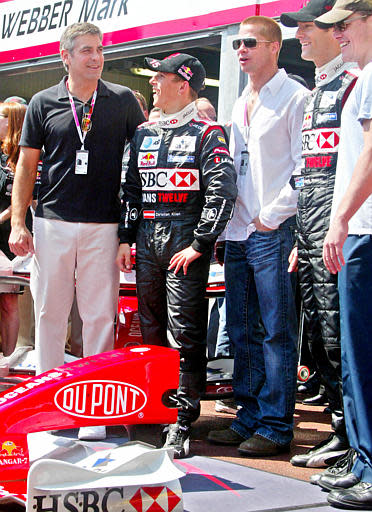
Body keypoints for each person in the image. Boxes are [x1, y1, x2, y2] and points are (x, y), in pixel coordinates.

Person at [9, 22, 145, 441]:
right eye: (86, 50)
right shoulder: (43, 102)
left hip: (104, 225)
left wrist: (128, 232)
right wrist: (18, 221)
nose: (96, 57)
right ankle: (48, 406)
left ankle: (95, 413)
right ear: (65, 56)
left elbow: (140, 165)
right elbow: (26, 167)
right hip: (52, 223)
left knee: (100, 317)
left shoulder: (122, 101)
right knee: (50, 313)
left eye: (99, 49)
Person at [116, 52, 237, 458]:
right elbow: (131, 191)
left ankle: (182, 421)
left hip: (184, 240)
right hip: (148, 238)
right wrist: (125, 239)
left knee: (183, 332)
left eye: (160, 77)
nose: (153, 82)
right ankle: (154, 409)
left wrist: (200, 244)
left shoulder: (208, 134)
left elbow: (223, 192)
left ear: (182, 84)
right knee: (149, 328)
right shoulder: (143, 133)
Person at [208, 15, 308, 456]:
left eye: (249, 42)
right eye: (237, 45)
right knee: (242, 329)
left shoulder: (296, 97)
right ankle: (248, 415)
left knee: (275, 332)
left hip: (272, 230)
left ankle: (275, 424)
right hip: (239, 230)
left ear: (274, 47)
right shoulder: (240, 100)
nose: (241, 50)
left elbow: (306, 168)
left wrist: (271, 216)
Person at [280, 0, 358, 470]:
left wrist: (337, 223)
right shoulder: (317, 89)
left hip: (339, 229)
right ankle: (338, 429)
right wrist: (300, 237)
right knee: (319, 338)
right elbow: (309, 171)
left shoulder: (354, 83)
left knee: (341, 339)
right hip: (310, 230)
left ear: (336, 29)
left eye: (308, 26)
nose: (301, 35)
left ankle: (355, 440)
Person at [313, 1, 372, 508]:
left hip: (364, 233)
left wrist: (340, 219)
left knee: (361, 355)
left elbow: (370, 155)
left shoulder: (371, 77)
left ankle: (369, 465)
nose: (338, 35)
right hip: (361, 232)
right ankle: (363, 459)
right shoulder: (364, 76)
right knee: (356, 355)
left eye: (344, 25)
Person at [0, 101, 27, 356]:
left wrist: (5, 217)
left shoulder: (24, 155)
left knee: (9, 301)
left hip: (10, 239)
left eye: (1, 116)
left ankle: (9, 359)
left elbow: (25, 197)